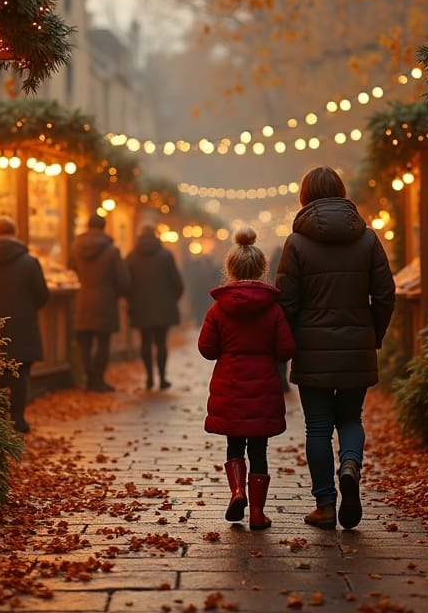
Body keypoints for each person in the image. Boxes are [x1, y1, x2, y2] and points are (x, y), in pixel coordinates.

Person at [275, 166, 396, 530]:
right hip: (357, 345)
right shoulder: (368, 239)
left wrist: (290, 341)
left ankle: (325, 506)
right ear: (342, 193)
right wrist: (373, 334)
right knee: (350, 418)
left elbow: (287, 302)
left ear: (304, 196)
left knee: (317, 427)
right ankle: (350, 464)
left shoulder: (296, 243)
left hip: (312, 348)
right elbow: (386, 294)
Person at [199, 227, 296, 530]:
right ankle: (257, 512)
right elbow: (286, 349)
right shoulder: (273, 309)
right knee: (259, 450)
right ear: (262, 268)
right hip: (263, 388)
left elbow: (207, 349)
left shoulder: (218, 309)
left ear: (230, 269)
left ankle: (237, 491)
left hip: (229, 387)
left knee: (234, 446)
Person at [0, 215, 51, 433]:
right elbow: (43, 295)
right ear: (14, 233)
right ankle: (18, 419)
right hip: (24, 327)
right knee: (21, 372)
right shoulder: (30, 263)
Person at [68, 213, 131, 392]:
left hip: (82, 300)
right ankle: (98, 380)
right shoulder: (112, 250)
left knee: (84, 344)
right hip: (105, 301)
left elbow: (71, 268)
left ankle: (88, 377)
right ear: (104, 227)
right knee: (103, 343)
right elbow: (123, 280)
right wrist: (117, 294)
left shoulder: (76, 247)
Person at [125, 222, 185, 390]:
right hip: (163, 307)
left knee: (145, 342)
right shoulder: (166, 255)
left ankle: (149, 378)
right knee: (161, 343)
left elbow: (126, 283)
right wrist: (171, 300)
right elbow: (177, 284)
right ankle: (162, 377)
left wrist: (132, 300)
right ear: (155, 236)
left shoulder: (131, 257)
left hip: (140, 307)